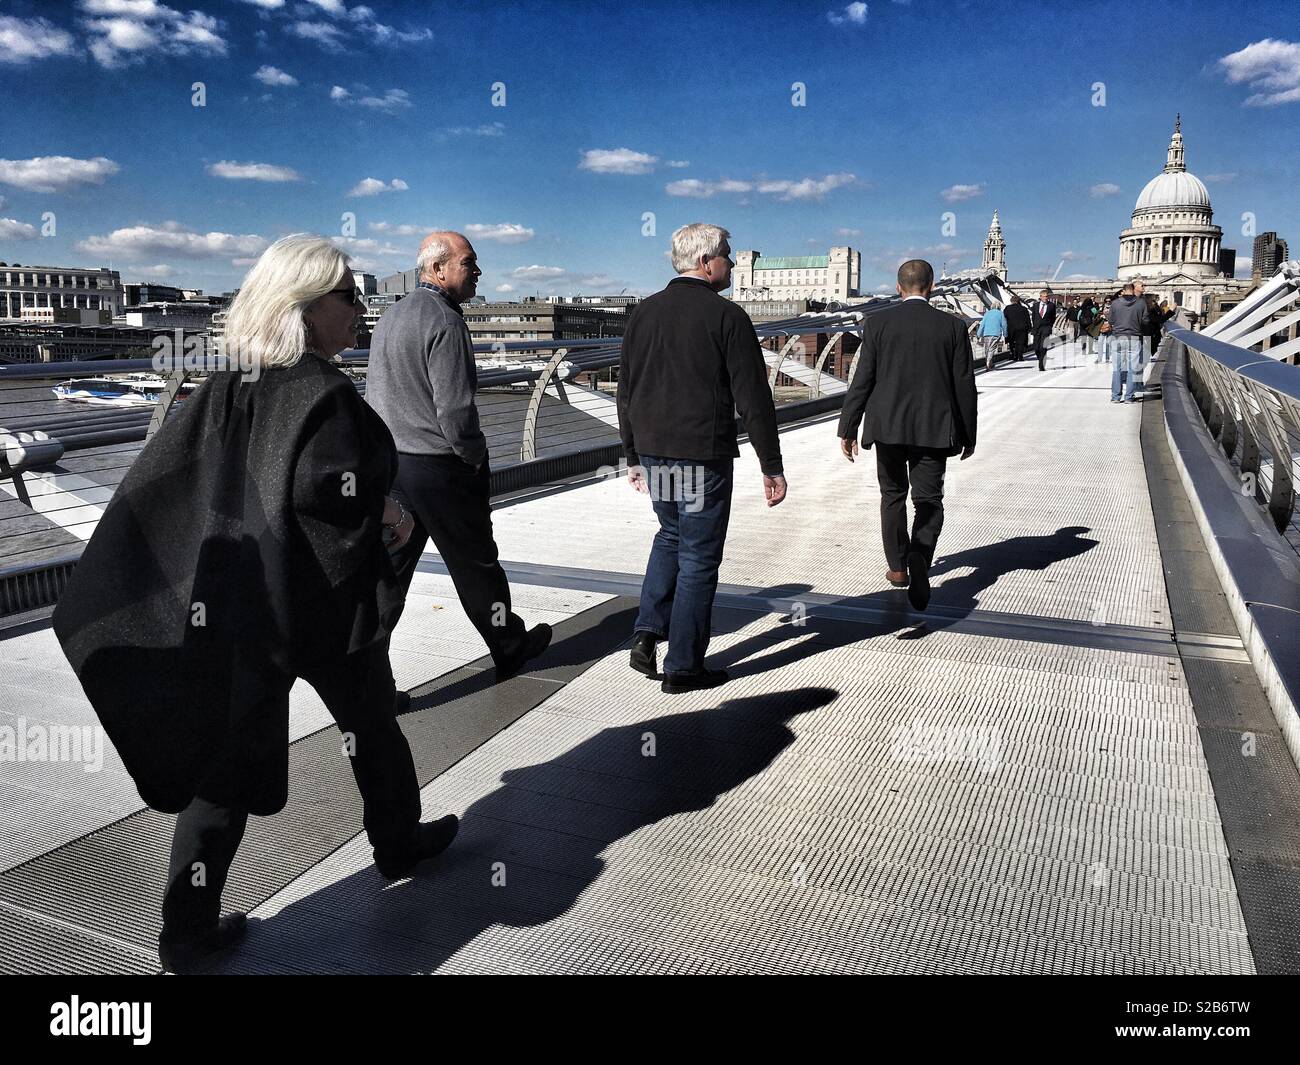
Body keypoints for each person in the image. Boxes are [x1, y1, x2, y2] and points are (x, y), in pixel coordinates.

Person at [52, 235, 459, 974]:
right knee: (369, 725)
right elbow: (329, 497)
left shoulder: (227, 385)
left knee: (223, 767)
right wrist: (393, 519)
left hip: (241, 609)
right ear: (305, 306)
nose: (358, 311)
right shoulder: (327, 393)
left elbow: (182, 482)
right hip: (323, 612)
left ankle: (186, 929)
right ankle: (399, 843)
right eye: (347, 296)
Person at [367, 231, 551, 679]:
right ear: (438, 269)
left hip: (394, 465)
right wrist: (473, 454)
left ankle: (370, 679)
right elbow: (455, 409)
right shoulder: (446, 322)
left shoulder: (391, 316)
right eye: (469, 263)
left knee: (388, 574)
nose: (477, 272)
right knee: (475, 565)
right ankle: (509, 645)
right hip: (442, 467)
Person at [617, 223, 787, 693]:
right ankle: (684, 666)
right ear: (707, 262)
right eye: (728, 256)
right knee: (697, 557)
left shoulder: (643, 313)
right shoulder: (726, 317)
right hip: (701, 454)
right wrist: (771, 464)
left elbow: (626, 390)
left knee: (670, 536)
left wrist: (632, 452)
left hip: (654, 451)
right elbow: (754, 397)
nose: (732, 264)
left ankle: (647, 633)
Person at [836, 259, 977, 612]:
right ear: (930, 287)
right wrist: (968, 433)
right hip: (935, 427)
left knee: (893, 496)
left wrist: (848, 426)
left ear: (899, 288)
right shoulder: (953, 327)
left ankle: (898, 568)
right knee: (929, 500)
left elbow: (862, 379)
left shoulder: (878, 323)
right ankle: (920, 556)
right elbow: (965, 387)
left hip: (889, 426)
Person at [1106, 282, 1150, 403]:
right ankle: (1129, 397)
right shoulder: (1141, 303)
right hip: (1134, 337)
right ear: (1133, 290)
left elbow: (1110, 320)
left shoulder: (1115, 303)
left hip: (1118, 337)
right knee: (1132, 369)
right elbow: (1146, 321)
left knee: (1117, 369)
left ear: (1124, 291)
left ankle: (1115, 396)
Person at [1030, 287, 1057, 371]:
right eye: (1044, 296)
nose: (1046, 298)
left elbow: (1053, 317)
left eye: (1047, 296)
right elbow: (1033, 317)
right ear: (1040, 297)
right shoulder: (1035, 305)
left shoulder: (1052, 306)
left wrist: (1049, 326)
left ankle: (1041, 363)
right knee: (1036, 347)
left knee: (1043, 346)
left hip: (1046, 328)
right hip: (1037, 329)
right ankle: (1039, 357)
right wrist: (1034, 326)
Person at [976, 302, 1006, 371]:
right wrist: (1005, 334)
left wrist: (978, 334)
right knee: (992, 348)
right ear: (999, 307)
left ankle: (989, 363)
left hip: (986, 334)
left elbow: (982, 325)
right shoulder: (1000, 313)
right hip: (996, 333)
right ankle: (988, 363)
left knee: (987, 349)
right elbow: (1004, 325)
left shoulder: (987, 313)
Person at [1003, 293, 1031, 362]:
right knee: (1020, 342)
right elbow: (1028, 319)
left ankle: (1013, 354)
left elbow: (1004, 318)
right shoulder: (1024, 309)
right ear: (1019, 301)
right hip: (1022, 328)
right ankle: (1020, 355)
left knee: (1012, 342)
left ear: (1011, 301)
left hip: (1011, 328)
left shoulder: (1007, 308)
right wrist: (1029, 328)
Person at [1077, 296, 1098, 360]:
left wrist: (1081, 322)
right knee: (1090, 337)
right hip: (1090, 325)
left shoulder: (1081, 308)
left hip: (1083, 325)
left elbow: (1078, 317)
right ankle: (1090, 350)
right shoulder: (1093, 308)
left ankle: (1083, 350)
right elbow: (1096, 315)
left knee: (1083, 338)